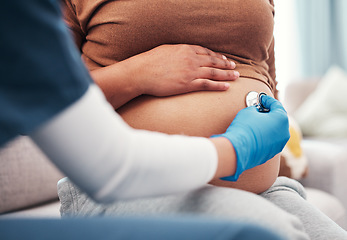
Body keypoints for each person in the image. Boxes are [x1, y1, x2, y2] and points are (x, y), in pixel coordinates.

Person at [0, 0, 303, 240]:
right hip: (129, 190)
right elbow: (45, 104)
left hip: (253, 184)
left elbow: (263, 75)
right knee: (269, 231)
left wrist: (274, 152)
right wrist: (138, 74)